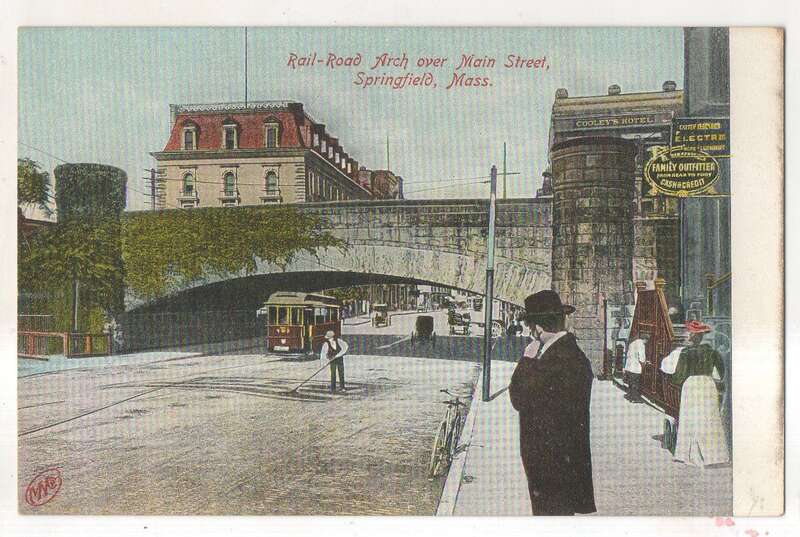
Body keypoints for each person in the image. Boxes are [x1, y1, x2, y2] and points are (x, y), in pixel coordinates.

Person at [508, 290, 596, 516]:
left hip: (550, 462)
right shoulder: (570, 353)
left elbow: (518, 397)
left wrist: (527, 361)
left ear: (537, 327)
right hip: (562, 458)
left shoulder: (555, 359)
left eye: (530, 327)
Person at [671, 320, 729, 467]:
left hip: (691, 386)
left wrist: (676, 381)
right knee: (708, 418)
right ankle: (713, 455)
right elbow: (722, 372)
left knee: (690, 418)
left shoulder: (686, 352)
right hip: (707, 385)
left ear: (692, 335)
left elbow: (678, 375)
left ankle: (691, 454)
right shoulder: (712, 352)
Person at [624, 331, 650, 402]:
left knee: (631, 383)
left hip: (629, 366)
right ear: (645, 339)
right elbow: (641, 357)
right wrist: (645, 363)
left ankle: (629, 396)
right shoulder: (641, 345)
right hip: (635, 367)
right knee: (635, 383)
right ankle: (635, 398)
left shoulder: (632, 343)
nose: (646, 343)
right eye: (647, 341)